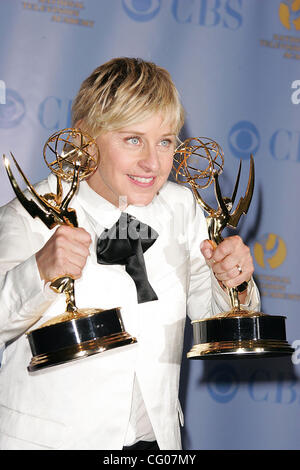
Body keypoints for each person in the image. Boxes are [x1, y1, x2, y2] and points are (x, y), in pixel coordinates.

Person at [0, 57, 260, 450]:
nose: (152, 164)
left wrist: (235, 282)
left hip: (153, 443)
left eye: (166, 141)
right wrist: (38, 270)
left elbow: (213, 316)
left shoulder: (182, 207)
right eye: (132, 139)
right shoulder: (28, 213)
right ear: (85, 136)